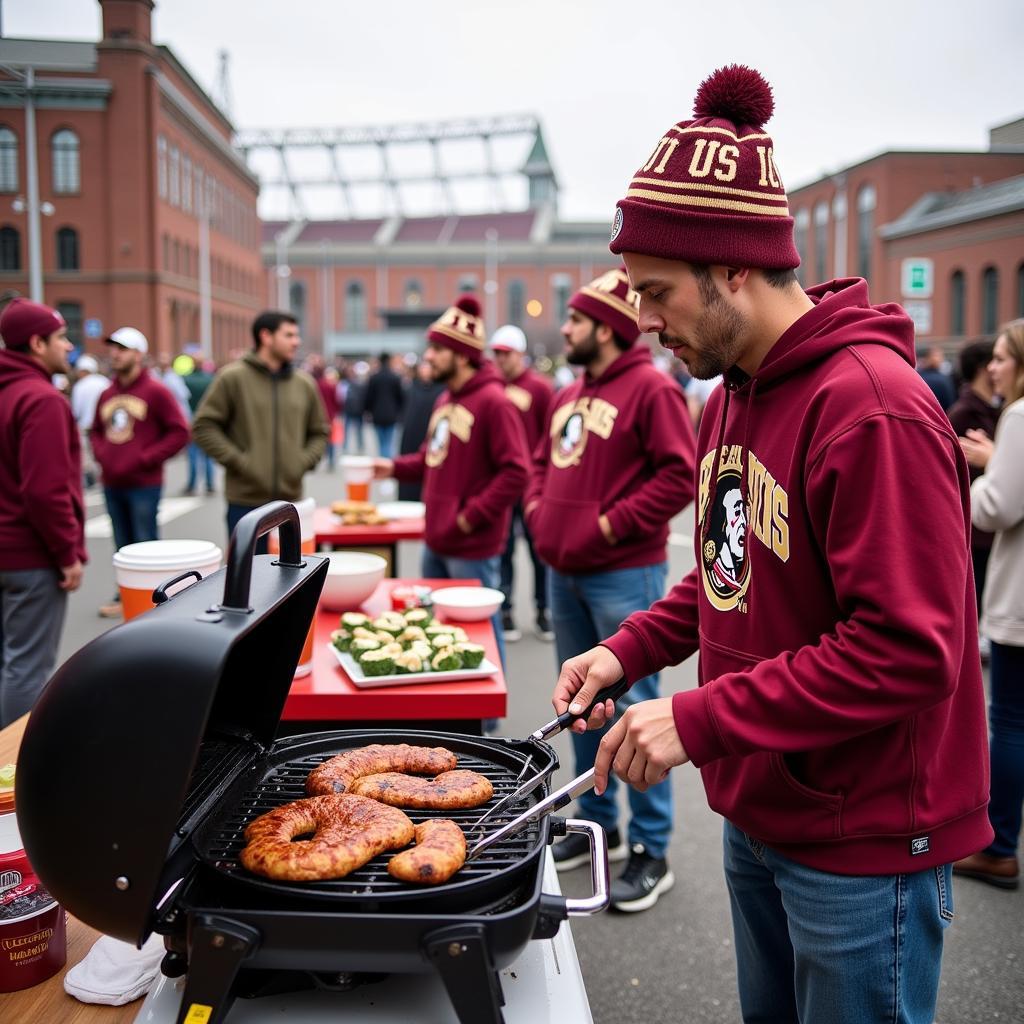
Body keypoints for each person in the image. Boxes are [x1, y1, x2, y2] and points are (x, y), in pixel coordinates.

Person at [554, 66, 991, 1022]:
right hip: (764, 809)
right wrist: (626, 649)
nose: (645, 320)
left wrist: (696, 719)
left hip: (862, 839)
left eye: (659, 291)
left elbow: (909, 650)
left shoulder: (869, 406)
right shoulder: (730, 396)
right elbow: (727, 575)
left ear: (735, 269)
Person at [525, 268, 695, 909]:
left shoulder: (651, 389)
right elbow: (542, 464)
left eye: (574, 319)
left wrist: (607, 523)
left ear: (605, 326)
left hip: (623, 571)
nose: (564, 328)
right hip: (561, 572)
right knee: (579, 703)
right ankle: (601, 826)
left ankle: (652, 848)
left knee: (635, 708)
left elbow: (679, 475)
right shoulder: (569, 392)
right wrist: (540, 512)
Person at [372, 295, 529, 672]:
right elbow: (433, 456)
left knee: (480, 635)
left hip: (471, 543)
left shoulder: (495, 402)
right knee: (441, 631)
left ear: (461, 356)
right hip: (437, 538)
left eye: (437, 351)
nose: (429, 358)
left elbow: (517, 472)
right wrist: (390, 468)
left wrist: (468, 517)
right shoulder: (444, 399)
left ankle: (488, 724)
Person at [954, 320, 1024, 890]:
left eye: (1002, 358)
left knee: (1009, 723)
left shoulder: (1019, 415)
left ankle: (999, 845)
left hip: (1018, 596)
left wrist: (980, 471)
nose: (992, 367)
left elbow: (995, 507)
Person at [0, 299, 85, 727]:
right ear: (36, 343)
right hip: (30, 555)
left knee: (7, 662)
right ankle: (11, 772)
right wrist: (67, 553)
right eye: (60, 337)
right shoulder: (40, 399)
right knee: (25, 668)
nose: (67, 346)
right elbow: (45, 490)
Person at [192, 311, 329, 553]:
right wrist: (241, 462)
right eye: (289, 335)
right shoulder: (232, 377)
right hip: (245, 503)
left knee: (291, 581)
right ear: (265, 336)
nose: (296, 342)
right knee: (248, 581)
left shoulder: (304, 383)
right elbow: (204, 426)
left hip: (291, 505)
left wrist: (302, 462)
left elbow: (319, 431)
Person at [91, 327, 189, 618]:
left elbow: (179, 432)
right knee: (121, 544)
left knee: (145, 542)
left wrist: (147, 459)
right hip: (112, 481)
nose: (115, 354)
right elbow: (96, 431)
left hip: (144, 482)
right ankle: (125, 593)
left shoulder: (156, 391)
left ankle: (153, 595)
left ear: (138, 354)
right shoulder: (106, 393)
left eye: (122, 349)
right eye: (113, 348)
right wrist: (103, 455)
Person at [491, 324, 555, 643]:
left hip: (530, 484)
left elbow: (550, 433)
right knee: (502, 551)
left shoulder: (540, 388)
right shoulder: (491, 388)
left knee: (537, 550)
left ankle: (543, 611)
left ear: (520, 354)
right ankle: (505, 611)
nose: (500, 360)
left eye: (506, 354)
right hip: (502, 482)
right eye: (496, 354)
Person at [946, 339, 999, 623]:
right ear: (982, 368)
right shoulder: (964, 413)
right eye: (994, 361)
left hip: (990, 523)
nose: (996, 369)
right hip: (975, 524)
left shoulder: (993, 409)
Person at [397, 358, 445, 502]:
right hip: (410, 439)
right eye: (423, 367)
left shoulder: (442, 391)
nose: (425, 370)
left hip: (430, 439)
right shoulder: (411, 388)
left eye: (428, 367)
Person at [70, 353, 109, 489]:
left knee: (87, 455)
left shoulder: (80, 386)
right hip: (105, 425)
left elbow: (76, 410)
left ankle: (92, 478)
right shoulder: (104, 382)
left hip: (87, 426)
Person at [180, 355, 216, 495]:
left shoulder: (186, 379)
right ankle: (210, 484)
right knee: (208, 456)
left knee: (193, 455)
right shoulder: (210, 379)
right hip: (207, 419)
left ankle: (192, 485)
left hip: (191, 419)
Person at [364, 352, 405, 458]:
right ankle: (386, 462)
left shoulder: (374, 378)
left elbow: (369, 397)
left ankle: (384, 462)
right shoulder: (395, 377)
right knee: (388, 443)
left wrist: (367, 410)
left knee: (381, 442)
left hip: (377, 414)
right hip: (392, 414)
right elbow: (400, 397)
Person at [916, 344, 956, 411]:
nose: (941, 358)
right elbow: (950, 406)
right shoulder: (942, 380)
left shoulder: (915, 376)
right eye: (937, 355)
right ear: (927, 358)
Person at [343, 364, 368, 453]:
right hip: (350, 410)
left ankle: (359, 447)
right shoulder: (346, 383)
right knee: (348, 431)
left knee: (358, 431)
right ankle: (346, 447)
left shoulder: (358, 384)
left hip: (356, 411)